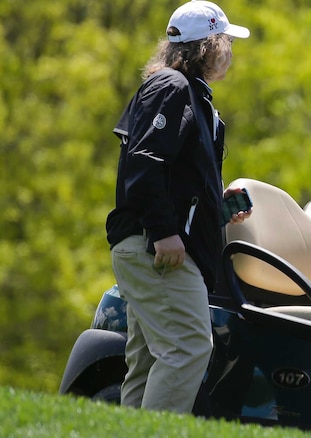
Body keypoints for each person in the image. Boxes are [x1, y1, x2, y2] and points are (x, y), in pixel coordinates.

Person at [106, 0, 251, 413]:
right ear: (210, 46)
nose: (231, 53)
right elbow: (144, 163)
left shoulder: (191, 95)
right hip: (159, 250)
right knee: (188, 347)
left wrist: (216, 208)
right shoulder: (171, 86)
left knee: (148, 360)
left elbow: (172, 180)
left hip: (158, 247)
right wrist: (164, 232)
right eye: (227, 42)